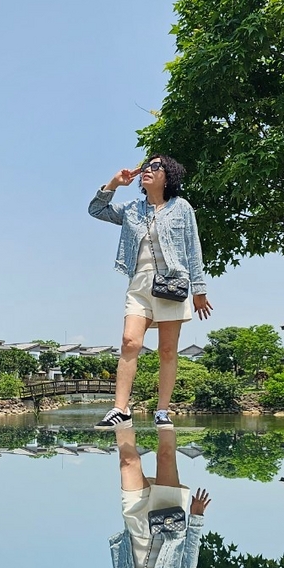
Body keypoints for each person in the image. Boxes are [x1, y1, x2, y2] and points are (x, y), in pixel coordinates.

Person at [88, 154, 212, 429]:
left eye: (156, 166)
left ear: (168, 176)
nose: (148, 170)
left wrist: (199, 289)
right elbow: (96, 210)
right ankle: (120, 409)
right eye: (146, 166)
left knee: (167, 350)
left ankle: (162, 410)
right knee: (129, 342)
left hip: (172, 283)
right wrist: (114, 183)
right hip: (139, 284)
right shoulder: (132, 208)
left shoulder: (182, 208)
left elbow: (193, 250)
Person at [80, 426, 211, 568]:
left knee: (127, 463)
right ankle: (163, 412)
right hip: (168, 523)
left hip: (136, 525)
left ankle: (122, 414)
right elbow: (189, 562)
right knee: (166, 455)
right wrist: (196, 519)